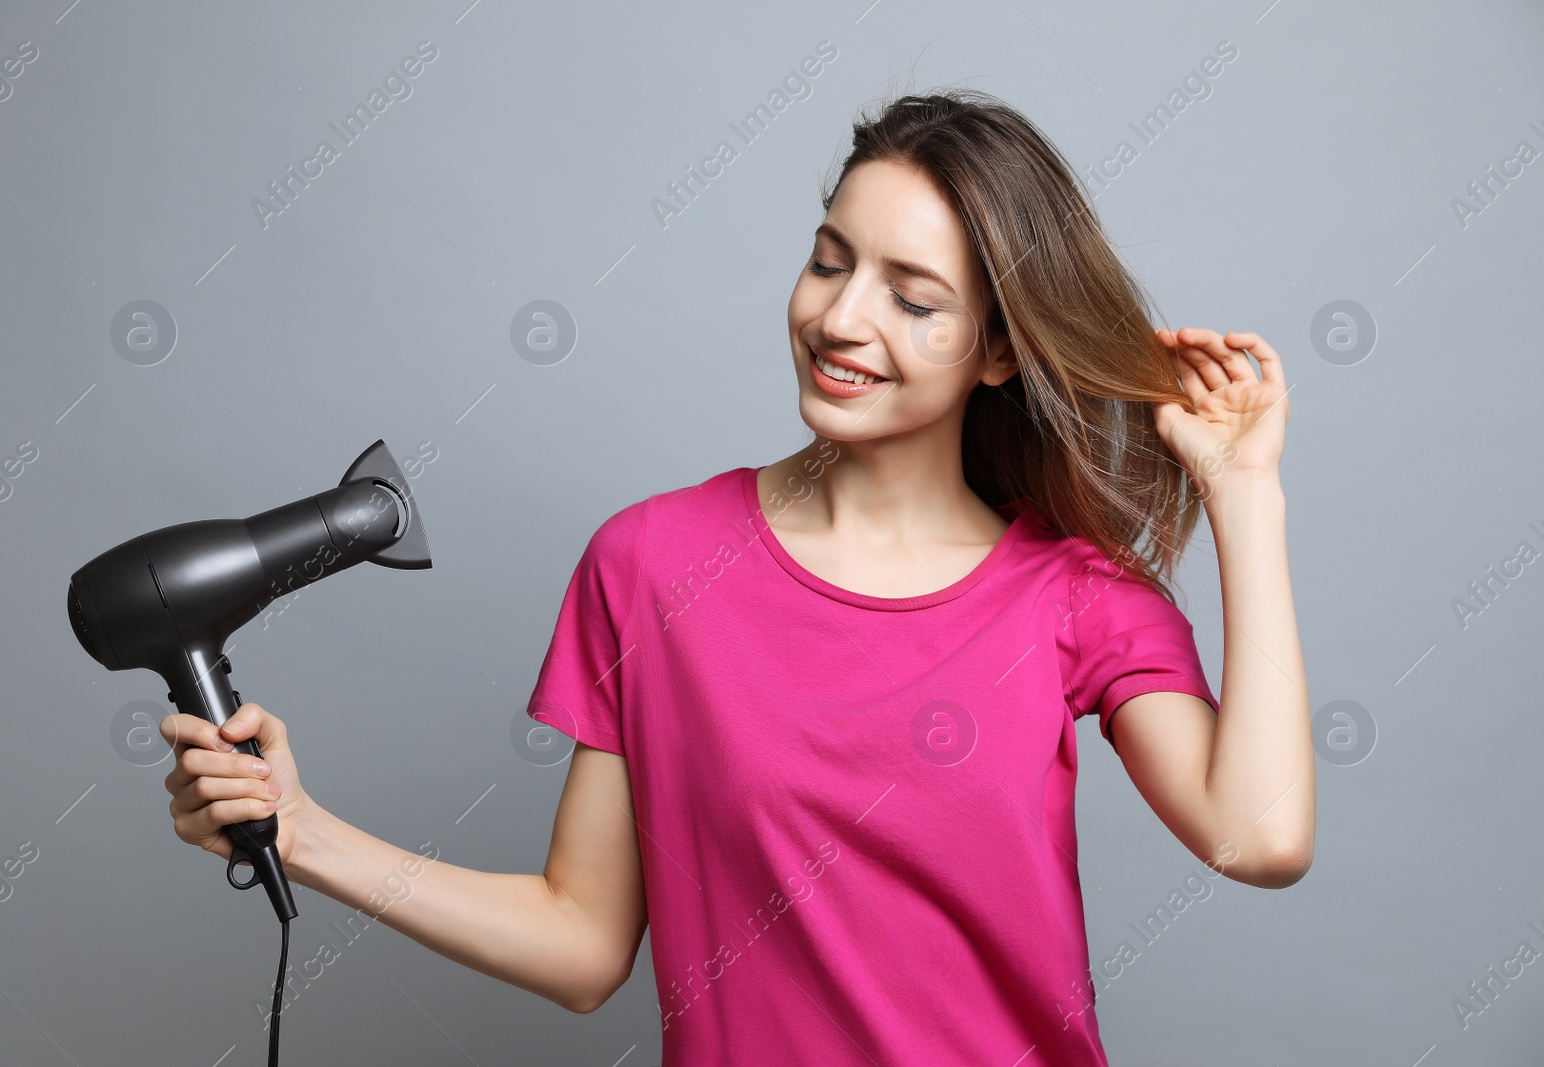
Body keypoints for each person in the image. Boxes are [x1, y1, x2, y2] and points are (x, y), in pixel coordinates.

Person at [160, 88, 1314, 1065]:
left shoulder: (1071, 596)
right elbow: (581, 943)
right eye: (828, 261)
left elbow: (1256, 837)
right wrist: (302, 832)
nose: (842, 318)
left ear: (1001, 350)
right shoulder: (651, 562)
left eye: (913, 300)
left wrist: (1241, 491)